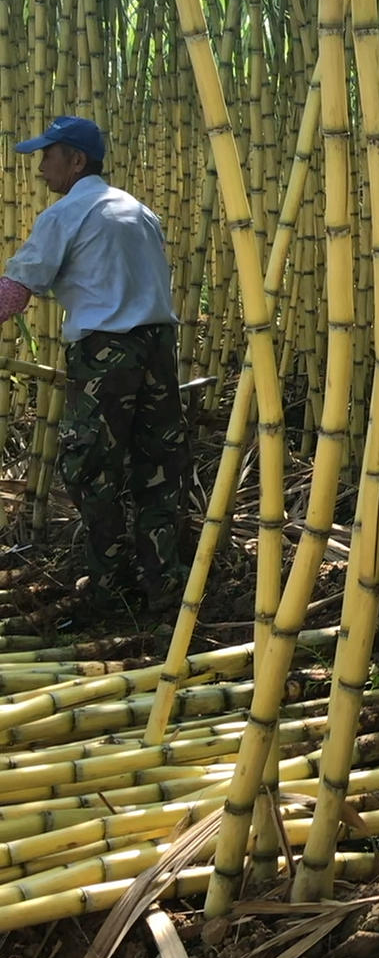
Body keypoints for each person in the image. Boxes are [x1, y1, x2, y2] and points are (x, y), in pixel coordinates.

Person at [0, 115, 188, 611]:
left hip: (107, 354)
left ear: (76, 160)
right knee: (158, 467)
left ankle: (108, 589)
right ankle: (164, 583)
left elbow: (16, 291)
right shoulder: (138, 211)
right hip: (159, 349)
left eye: (48, 156)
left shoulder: (67, 215)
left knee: (91, 470)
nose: (41, 168)